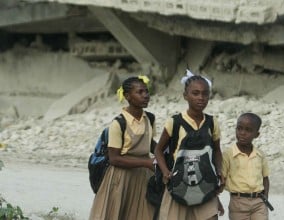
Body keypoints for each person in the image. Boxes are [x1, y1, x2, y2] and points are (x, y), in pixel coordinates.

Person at [154, 70, 224, 220]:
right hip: (179, 184)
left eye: (205, 94)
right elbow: (158, 150)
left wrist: (219, 171)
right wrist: (166, 172)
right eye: (195, 93)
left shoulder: (212, 122)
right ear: (185, 96)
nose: (201, 98)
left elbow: (217, 150)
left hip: (205, 184)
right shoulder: (175, 122)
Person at [89, 76, 156, 220]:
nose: (145, 95)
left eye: (146, 91)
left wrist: (167, 155)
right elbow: (114, 159)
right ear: (127, 96)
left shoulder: (149, 118)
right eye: (140, 92)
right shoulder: (119, 123)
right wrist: (147, 163)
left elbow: (149, 143)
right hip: (121, 178)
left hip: (143, 177)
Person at [222, 112, 270, 220]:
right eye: (239, 128)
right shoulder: (228, 154)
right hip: (238, 203)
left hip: (259, 203)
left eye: (248, 130)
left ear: (256, 134)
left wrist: (265, 198)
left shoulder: (260, 155)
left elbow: (265, 178)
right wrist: (215, 200)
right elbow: (222, 178)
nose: (242, 133)